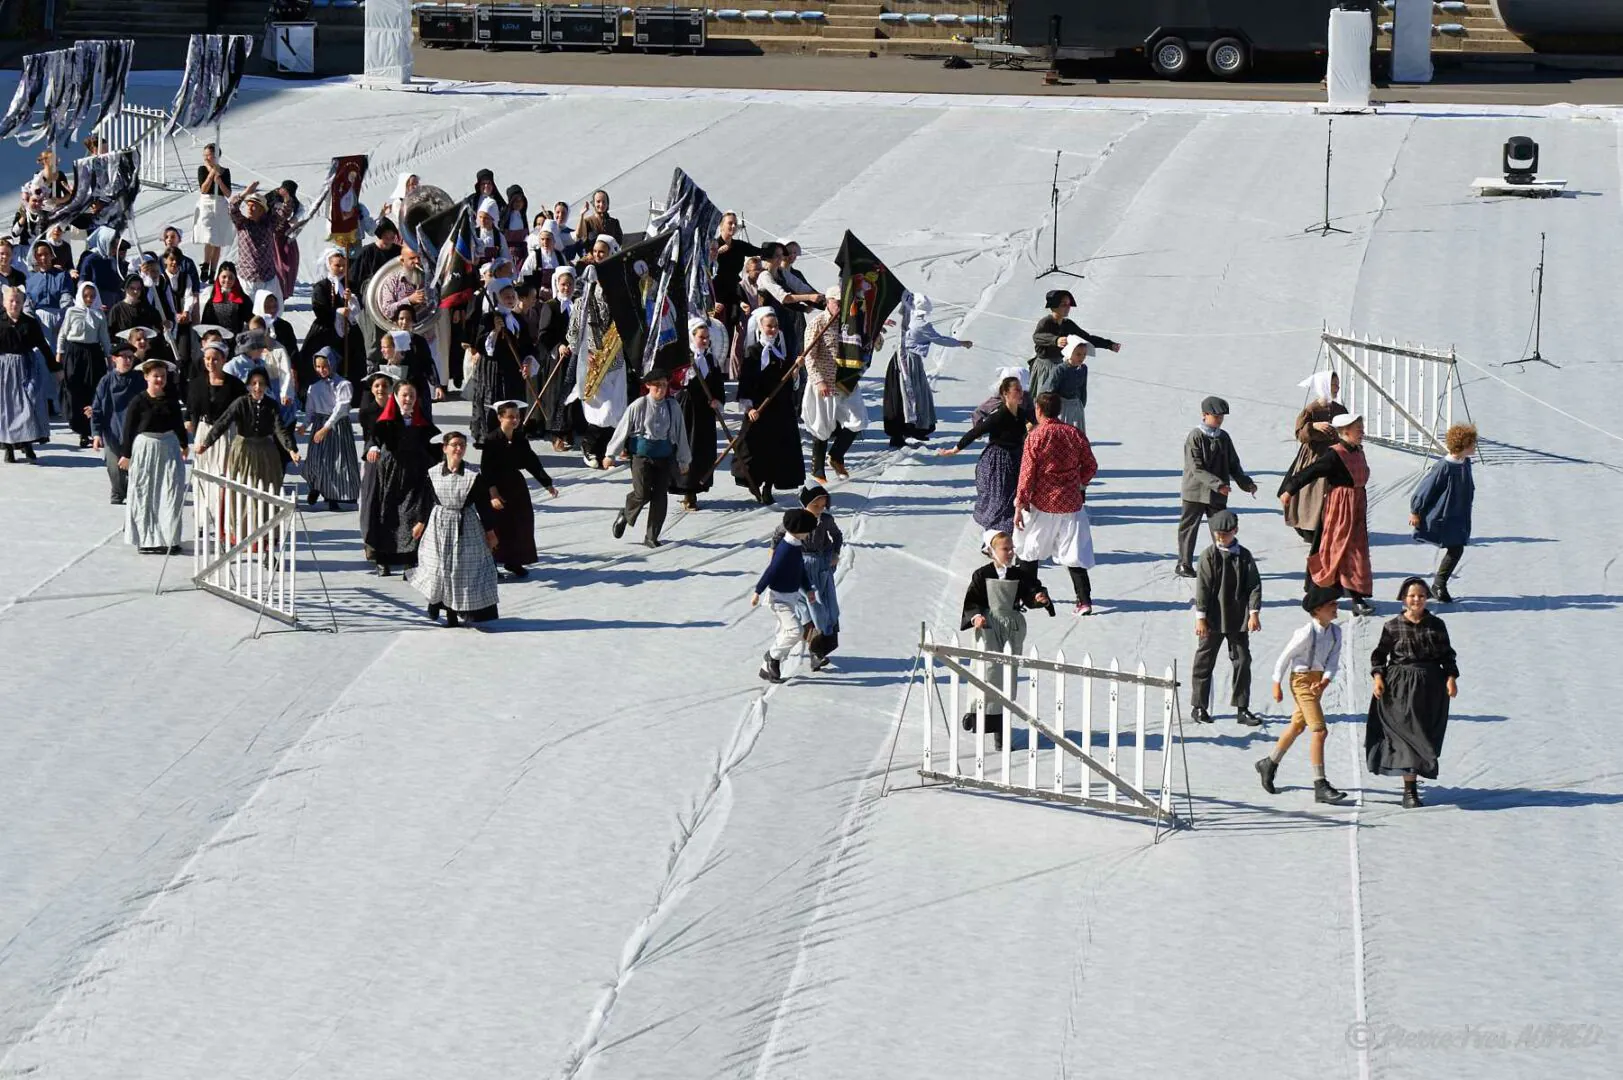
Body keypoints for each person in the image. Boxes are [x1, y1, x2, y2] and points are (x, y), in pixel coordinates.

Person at [1367, 577, 1460, 808]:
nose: (1416, 599)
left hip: (1430, 687)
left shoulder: (1436, 625)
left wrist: (1451, 678)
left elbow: (1447, 655)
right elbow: (1379, 655)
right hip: (1399, 687)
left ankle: (1414, 782)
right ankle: (1410, 791)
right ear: (1403, 599)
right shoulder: (1392, 626)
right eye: (1411, 596)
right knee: (1407, 737)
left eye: (1420, 595)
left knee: (1425, 736)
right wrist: (1378, 677)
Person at [959, 531, 1053, 750]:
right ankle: (975, 714)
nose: (1010, 553)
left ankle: (1001, 732)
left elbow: (1032, 591)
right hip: (988, 626)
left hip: (1011, 628)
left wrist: (1039, 598)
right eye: (1005, 549)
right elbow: (972, 600)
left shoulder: (1019, 574)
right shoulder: (982, 574)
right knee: (987, 670)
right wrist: (976, 616)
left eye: (1012, 548)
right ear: (991, 551)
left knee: (1007, 677)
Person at [1257, 583, 1348, 805]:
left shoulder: (1336, 632)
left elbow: (1334, 662)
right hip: (1301, 680)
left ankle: (1269, 763)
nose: (1336, 607)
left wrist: (1325, 682)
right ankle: (1320, 784)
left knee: (1297, 725)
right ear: (1317, 610)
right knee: (1319, 730)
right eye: (1331, 604)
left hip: (1316, 681)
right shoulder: (1306, 632)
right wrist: (1276, 683)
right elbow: (1284, 657)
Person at [1012, 392, 1099, 616]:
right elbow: (1090, 465)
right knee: (1074, 552)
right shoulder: (1074, 433)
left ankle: (1030, 595)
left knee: (1028, 549)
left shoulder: (1036, 436)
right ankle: (1084, 600)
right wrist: (1078, 482)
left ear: (1039, 410)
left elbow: (1027, 474)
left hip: (1041, 502)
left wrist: (1020, 504)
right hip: (1070, 502)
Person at [1281, 412, 1376, 617]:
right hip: (1339, 509)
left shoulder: (1359, 451)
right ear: (1345, 431)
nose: (1362, 433)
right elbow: (1311, 471)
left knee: (1356, 551)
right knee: (1334, 549)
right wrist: (1289, 490)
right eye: (1358, 429)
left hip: (1357, 506)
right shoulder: (1335, 454)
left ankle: (1356, 597)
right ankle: (1319, 592)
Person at [409, 430, 499, 628]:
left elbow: (483, 505)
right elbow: (426, 500)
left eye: (462, 445)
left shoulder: (472, 476)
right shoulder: (433, 473)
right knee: (436, 566)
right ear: (445, 448)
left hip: (464, 524)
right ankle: (435, 601)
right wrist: (420, 522)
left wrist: (490, 532)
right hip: (439, 523)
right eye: (455, 445)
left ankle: (453, 610)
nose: (459, 449)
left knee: (460, 570)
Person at [939, 374, 1033, 551]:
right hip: (998, 462)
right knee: (1000, 501)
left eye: (1021, 390)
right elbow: (975, 432)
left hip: (1016, 460)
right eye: (1016, 390)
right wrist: (955, 449)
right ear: (1005, 394)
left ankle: (1007, 544)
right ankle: (992, 542)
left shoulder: (1022, 414)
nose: (1021, 393)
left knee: (1014, 501)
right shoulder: (999, 416)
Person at [1190, 509, 1264, 726]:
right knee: (1204, 661)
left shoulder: (1244, 556)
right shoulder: (1208, 556)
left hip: (1237, 618)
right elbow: (1202, 588)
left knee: (1242, 661)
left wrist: (1254, 613)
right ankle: (1199, 706)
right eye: (1217, 533)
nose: (1221, 537)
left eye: (1225, 533)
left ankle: (1242, 708)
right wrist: (1200, 618)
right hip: (1212, 619)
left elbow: (1254, 585)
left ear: (1235, 531)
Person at [359, 380, 440, 575]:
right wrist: (373, 447)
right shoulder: (385, 420)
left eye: (412, 395)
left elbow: (431, 443)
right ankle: (383, 559)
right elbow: (373, 438)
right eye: (404, 395)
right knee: (387, 516)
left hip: (414, 473)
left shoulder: (421, 421)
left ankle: (408, 561)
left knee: (410, 515)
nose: (408, 399)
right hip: (390, 474)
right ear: (395, 397)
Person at [608, 368, 692, 548]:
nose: (661, 389)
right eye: (657, 386)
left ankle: (651, 536)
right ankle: (626, 514)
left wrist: (683, 460)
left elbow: (680, 434)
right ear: (648, 386)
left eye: (664, 385)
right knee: (642, 493)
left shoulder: (672, 406)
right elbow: (623, 429)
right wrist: (611, 454)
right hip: (642, 457)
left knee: (660, 497)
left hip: (664, 457)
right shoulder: (639, 405)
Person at [1176, 395, 1257, 577]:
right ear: (1204, 415)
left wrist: (1246, 483)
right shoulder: (1195, 436)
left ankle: (1223, 562)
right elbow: (1195, 467)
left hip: (1217, 494)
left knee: (1220, 528)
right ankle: (1184, 563)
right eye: (1216, 416)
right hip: (1195, 492)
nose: (1219, 420)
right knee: (1189, 528)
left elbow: (1233, 464)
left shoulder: (1224, 437)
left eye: (1221, 417)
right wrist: (1218, 484)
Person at [118, 358, 190, 554]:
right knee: (145, 493)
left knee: (171, 492)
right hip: (146, 448)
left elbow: (178, 423)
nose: (159, 379)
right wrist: (126, 454)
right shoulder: (138, 401)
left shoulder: (171, 400)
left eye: (163, 376)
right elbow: (129, 429)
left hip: (169, 446)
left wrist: (184, 444)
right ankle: (146, 540)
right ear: (146, 377)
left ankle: (170, 538)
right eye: (156, 376)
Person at [733, 311, 805, 505]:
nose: (773, 330)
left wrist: (796, 370)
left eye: (775, 326)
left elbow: (790, 385)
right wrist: (749, 408)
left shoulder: (783, 352)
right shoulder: (753, 352)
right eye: (769, 326)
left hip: (780, 410)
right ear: (760, 328)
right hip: (759, 410)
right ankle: (753, 482)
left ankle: (768, 488)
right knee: (754, 450)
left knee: (777, 450)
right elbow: (746, 383)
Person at [480, 399, 557, 577]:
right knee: (498, 527)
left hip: (516, 485)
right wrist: (493, 493)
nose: (515, 420)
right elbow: (486, 469)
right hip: (497, 486)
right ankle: (491, 564)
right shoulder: (491, 439)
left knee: (520, 523)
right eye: (510, 417)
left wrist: (546, 483)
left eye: (517, 417)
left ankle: (514, 561)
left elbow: (531, 461)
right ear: (500, 418)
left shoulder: (520, 438)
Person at [194, 367, 300, 493]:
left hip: (265, 450)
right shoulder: (241, 403)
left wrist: (291, 449)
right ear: (249, 385)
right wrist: (206, 443)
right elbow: (223, 422)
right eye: (254, 383)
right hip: (243, 449)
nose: (257, 387)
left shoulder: (271, 405)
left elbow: (280, 429)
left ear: (266, 386)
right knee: (243, 486)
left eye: (261, 383)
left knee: (265, 488)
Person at [884, 292, 968, 448]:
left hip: (898, 359)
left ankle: (904, 431)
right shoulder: (921, 325)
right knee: (914, 395)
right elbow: (940, 339)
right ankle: (913, 428)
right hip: (909, 362)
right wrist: (961, 343)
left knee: (900, 397)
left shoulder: (906, 318)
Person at [774, 484, 844, 670]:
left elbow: (837, 536)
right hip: (801, 567)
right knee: (809, 608)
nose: (820, 509)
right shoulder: (797, 519)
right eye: (816, 505)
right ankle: (814, 649)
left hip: (822, 567)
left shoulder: (826, 520)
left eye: (823, 505)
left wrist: (835, 554)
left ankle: (820, 650)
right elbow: (779, 536)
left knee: (827, 607)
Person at [1410, 423, 1477, 603]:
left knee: (1458, 546)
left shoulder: (1466, 462)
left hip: (1459, 513)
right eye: (1472, 443)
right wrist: (1416, 511)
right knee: (1456, 547)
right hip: (1445, 515)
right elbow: (1424, 489)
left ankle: (1439, 584)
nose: (1475, 446)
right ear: (1462, 445)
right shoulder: (1444, 467)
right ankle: (1439, 584)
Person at [564, 274, 625, 470]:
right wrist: (583, 352)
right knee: (602, 411)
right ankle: (588, 445)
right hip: (592, 364)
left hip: (616, 362)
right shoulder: (582, 303)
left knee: (615, 412)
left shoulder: (621, 300)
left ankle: (605, 453)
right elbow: (572, 333)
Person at [751, 509, 819, 684]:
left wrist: (808, 588)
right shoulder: (785, 549)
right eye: (808, 530)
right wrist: (758, 591)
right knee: (796, 631)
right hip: (779, 599)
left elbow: (800, 570)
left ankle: (768, 669)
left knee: (783, 633)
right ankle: (771, 657)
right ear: (799, 530)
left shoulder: (795, 546)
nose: (809, 533)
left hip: (791, 597)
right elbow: (771, 571)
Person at [466, 278, 533, 448]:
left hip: (513, 370)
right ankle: (490, 438)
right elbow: (481, 345)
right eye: (506, 297)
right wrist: (495, 331)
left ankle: (513, 436)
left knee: (513, 402)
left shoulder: (518, 319)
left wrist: (527, 362)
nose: (510, 300)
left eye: (512, 296)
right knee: (493, 403)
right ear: (497, 298)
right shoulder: (488, 318)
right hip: (493, 369)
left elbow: (527, 346)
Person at [1281, 369, 1344, 542]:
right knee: (1311, 494)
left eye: (1338, 385)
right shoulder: (1311, 410)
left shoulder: (1340, 409)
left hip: (1334, 456)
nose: (1336, 388)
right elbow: (1300, 435)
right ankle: (1308, 528)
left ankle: (1330, 528)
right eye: (1333, 385)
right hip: (1313, 456)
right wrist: (1313, 426)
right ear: (1323, 385)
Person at [674, 317, 727, 510]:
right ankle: (688, 491)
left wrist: (717, 400)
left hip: (704, 411)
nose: (705, 341)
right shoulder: (683, 359)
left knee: (702, 451)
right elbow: (675, 384)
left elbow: (718, 385)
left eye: (707, 338)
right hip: (686, 409)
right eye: (701, 337)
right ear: (692, 337)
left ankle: (697, 486)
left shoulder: (711, 360)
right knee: (688, 447)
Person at [301, 347, 361, 512]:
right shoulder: (314, 387)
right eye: (318, 367)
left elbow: (341, 408)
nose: (321, 370)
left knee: (337, 461)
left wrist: (327, 427)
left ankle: (333, 495)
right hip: (320, 423)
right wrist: (305, 425)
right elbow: (310, 410)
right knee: (316, 459)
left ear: (332, 364)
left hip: (337, 426)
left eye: (324, 366)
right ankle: (316, 486)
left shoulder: (343, 385)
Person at [0, 285, 52, 463]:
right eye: (11, 301)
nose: (14, 304)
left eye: (18, 301)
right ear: (4, 302)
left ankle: (27, 443)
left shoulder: (29, 323)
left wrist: (55, 367)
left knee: (28, 406)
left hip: (26, 367)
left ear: (23, 303)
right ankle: (9, 448)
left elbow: (43, 346)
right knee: (7, 410)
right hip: (4, 370)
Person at [58, 281, 113, 448]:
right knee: (76, 390)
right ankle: (80, 429)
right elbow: (63, 333)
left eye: (92, 296)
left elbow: (104, 337)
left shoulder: (98, 315)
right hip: (74, 352)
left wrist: (109, 356)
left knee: (93, 390)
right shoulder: (72, 312)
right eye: (86, 295)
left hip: (93, 354)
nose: (89, 299)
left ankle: (92, 430)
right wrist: (59, 353)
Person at [91, 340, 145, 503]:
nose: (128, 360)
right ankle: (118, 492)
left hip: (135, 432)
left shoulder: (139, 379)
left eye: (131, 357)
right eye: (124, 357)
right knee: (114, 469)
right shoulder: (106, 381)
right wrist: (96, 434)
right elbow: (97, 408)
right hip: (112, 431)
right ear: (114, 359)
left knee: (136, 467)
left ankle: (135, 493)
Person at [304, 247, 365, 388]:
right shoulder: (321, 286)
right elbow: (319, 309)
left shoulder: (350, 285)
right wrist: (337, 312)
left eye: (344, 265)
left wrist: (352, 301)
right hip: (326, 330)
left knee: (352, 361)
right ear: (329, 265)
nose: (341, 268)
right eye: (337, 265)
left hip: (349, 332)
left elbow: (358, 310)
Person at [185, 339, 246, 476]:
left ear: (224, 360)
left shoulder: (235, 385)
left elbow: (241, 411)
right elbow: (191, 408)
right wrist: (188, 421)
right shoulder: (197, 383)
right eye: (207, 359)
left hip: (226, 433)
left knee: (224, 470)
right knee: (204, 470)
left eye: (215, 359)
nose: (210, 363)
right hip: (204, 430)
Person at [226, 183, 294, 300]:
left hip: (267, 278)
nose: (249, 209)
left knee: (269, 312)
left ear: (262, 210)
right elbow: (232, 208)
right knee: (247, 313)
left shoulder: (269, 224)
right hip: (247, 278)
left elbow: (285, 213)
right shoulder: (242, 224)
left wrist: (287, 198)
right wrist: (244, 193)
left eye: (254, 206)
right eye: (248, 205)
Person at [1032, 290, 1119, 363]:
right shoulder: (1046, 321)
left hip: (1059, 363)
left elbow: (1087, 338)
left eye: (1069, 305)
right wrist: (1056, 340)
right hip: (1044, 365)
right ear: (1054, 306)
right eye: (1064, 305)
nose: (1068, 308)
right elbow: (1037, 337)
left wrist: (1109, 344)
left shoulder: (1068, 324)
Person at [192, 143, 232, 281]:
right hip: (207, 203)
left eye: (208, 155)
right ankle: (206, 264)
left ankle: (213, 271)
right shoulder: (202, 169)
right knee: (209, 236)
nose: (206, 158)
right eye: (205, 155)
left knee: (218, 240)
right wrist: (211, 175)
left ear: (216, 156)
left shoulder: (225, 171)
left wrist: (219, 181)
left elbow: (228, 193)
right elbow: (203, 189)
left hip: (220, 204)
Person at [23, 239, 72, 352]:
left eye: (46, 254)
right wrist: (31, 322)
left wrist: (62, 319)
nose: (43, 258)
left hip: (59, 317)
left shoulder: (62, 275)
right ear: (35, 257)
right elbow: (28, 305)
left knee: (59, 352)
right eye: (39, 255)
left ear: (51, 255)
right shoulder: (31, 280)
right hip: (38, 321)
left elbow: (66, 298)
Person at [201, 262, 254, 335]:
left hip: (237, 341)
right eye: (224, 277)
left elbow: (252, 321)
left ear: (235, 279)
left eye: (231, 277)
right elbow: (205, 324)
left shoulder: (243, 300)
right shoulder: (211, 302)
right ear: (218, 278)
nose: (227, 280)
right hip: (217, 341)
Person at [76, 226, 124, 302]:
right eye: (112, 246)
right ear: (104, 242)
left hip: (114, 301)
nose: (115, 250)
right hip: (96, 300)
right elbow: (83, 283)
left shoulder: (116, 260)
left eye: (117, 247)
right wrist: (93, 301)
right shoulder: (90, 259)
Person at [358, 369, 395, 443]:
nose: (380, 389)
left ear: (391, 388)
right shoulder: (365, 412)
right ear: (372, 389)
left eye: (384, 386)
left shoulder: (397, 410)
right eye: (377, 386)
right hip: (373, 449)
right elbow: (367, 436)